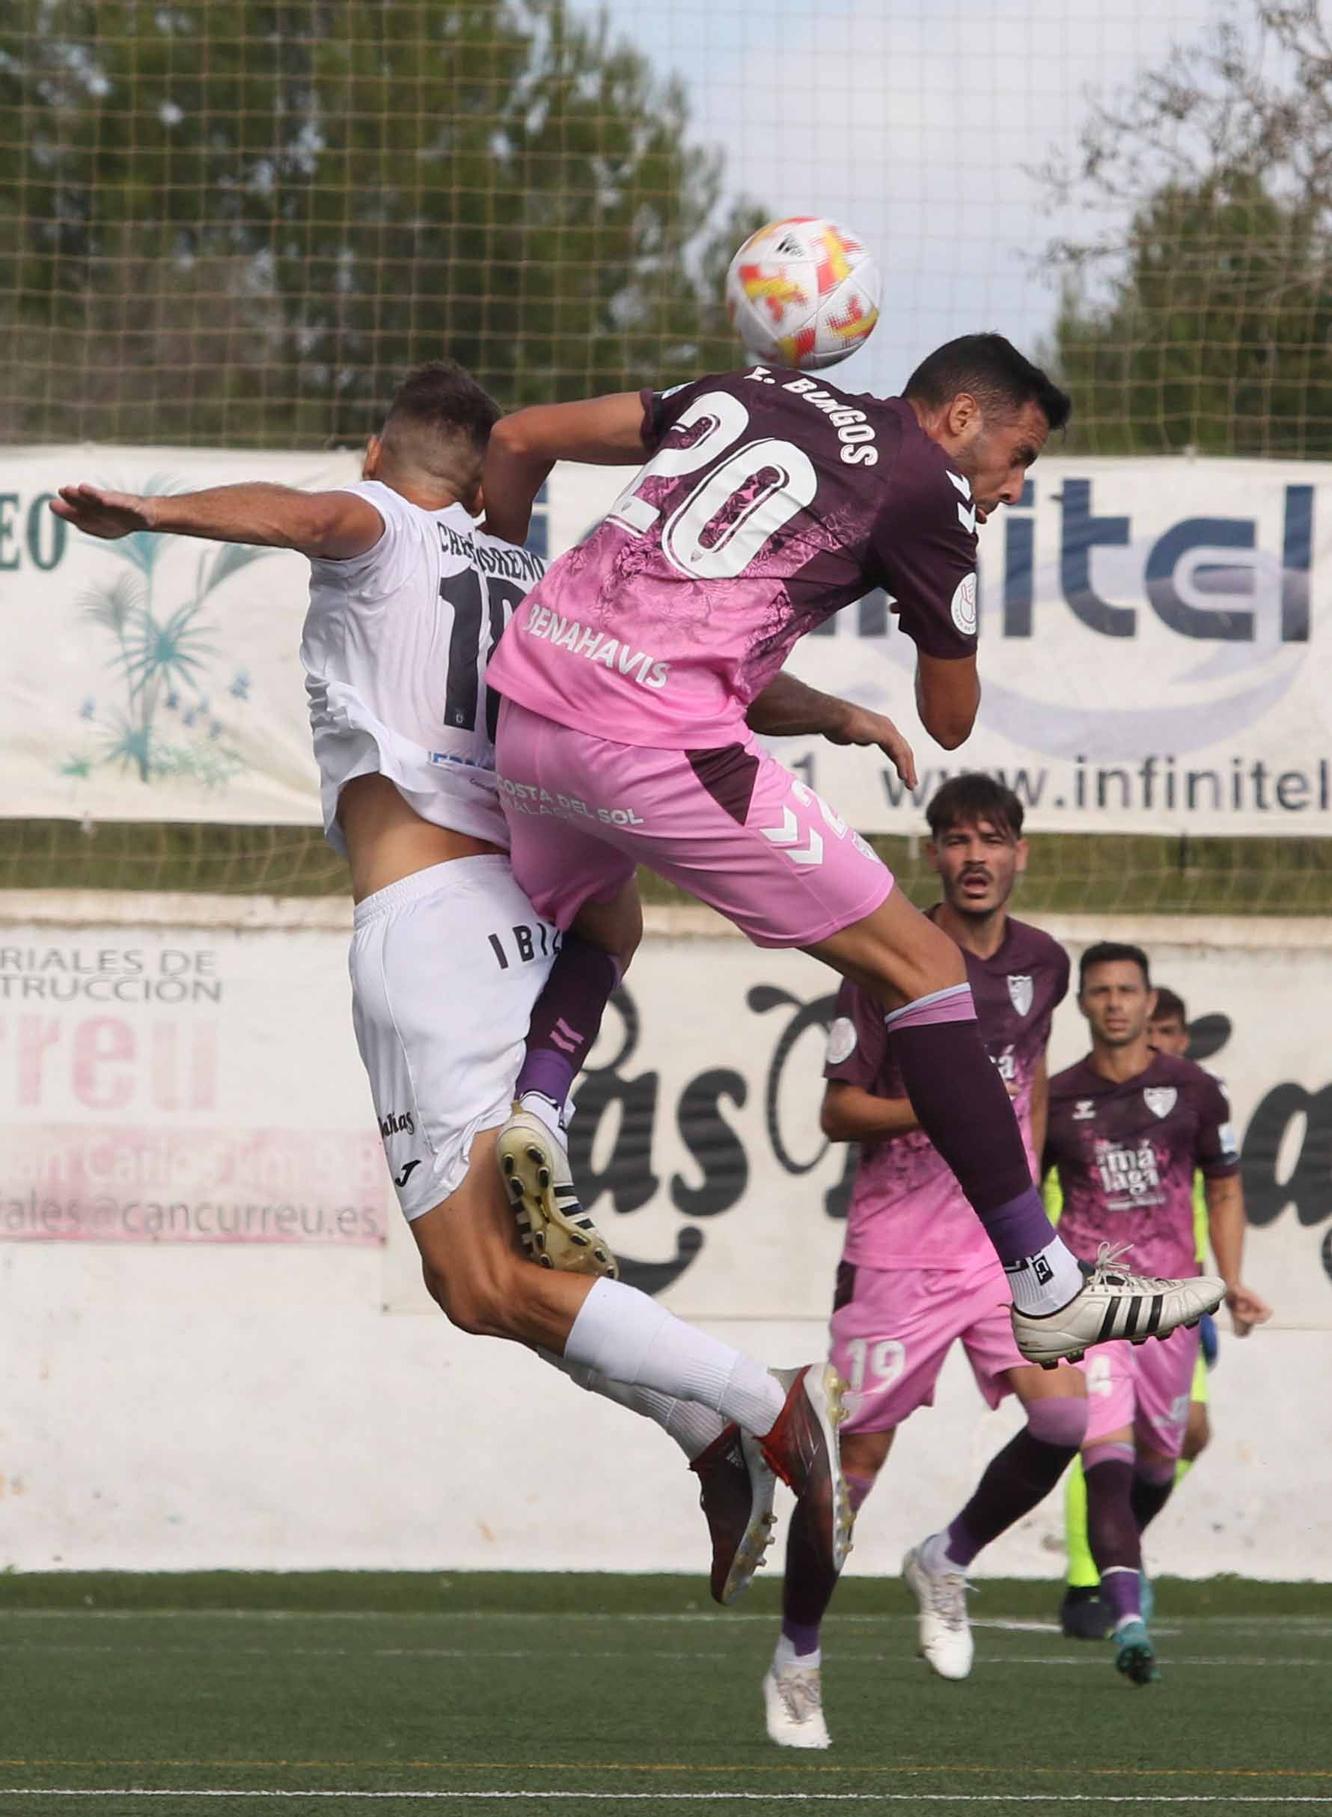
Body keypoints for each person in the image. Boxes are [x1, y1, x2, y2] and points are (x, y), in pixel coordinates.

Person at [50, 359, 919, 1597]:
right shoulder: (543, 581)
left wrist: (153, 513)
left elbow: (304, 519)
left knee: (487, 1280)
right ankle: (707, 1428)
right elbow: (705, 680)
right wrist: (833, 711)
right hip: (530, 916)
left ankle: (763, 1403)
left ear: (374, 450)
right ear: (481, 470)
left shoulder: (376, 520)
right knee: (478, 1281)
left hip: (430, 929)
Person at [480, 332, 1223, 1367]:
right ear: (962, 418)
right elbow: (953, 717)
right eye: (1018, 457)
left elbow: (515, 439)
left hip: (526, 706)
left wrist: (830, 710)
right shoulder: (930, 491)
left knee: (607, 910)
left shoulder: (747, 386)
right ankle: (1045, 1281)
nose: (1012, 487)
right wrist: (953, 560)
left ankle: (536, 1113)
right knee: (925, 967)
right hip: (652, 745)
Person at [762, 774, 1084, 1750]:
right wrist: (948, 1107)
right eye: (956, 839)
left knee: (1067, 1413)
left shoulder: (1045, 962)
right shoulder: (883, 960)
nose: (976, 855)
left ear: (1020, 854)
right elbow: (835, 1112)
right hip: (896, 1254)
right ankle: (798, 1657)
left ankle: (946, 1556)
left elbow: (1026, 1079)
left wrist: (1030, 1201)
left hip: (998, 1243)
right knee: (851, 1466)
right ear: (932, 855)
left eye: (993, 838)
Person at [1044, 944, 1272, 1684]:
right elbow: (1019, 1199)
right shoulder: (1057, 1098)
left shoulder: (1196, 1091)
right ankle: (1127, 1617)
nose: (1114, 1003)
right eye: (1100, 991)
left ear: (1150, 1003)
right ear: (1082, 1003)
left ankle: (1116, 1567)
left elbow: (1226, 1188)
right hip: (1093, 1308)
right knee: (1102, 1458)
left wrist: (1233, 1280)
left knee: (1160, 1461)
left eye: (1127, 990)